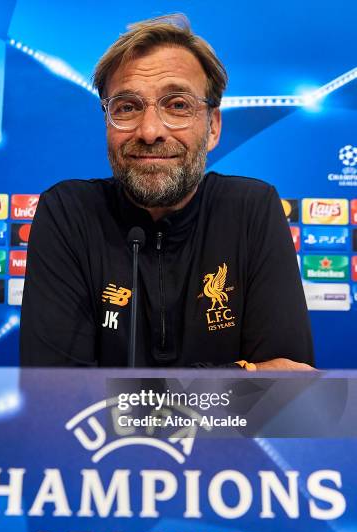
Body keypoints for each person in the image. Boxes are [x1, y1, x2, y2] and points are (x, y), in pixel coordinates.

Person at [20, 14, 314, 370]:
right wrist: (238, 376)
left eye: (177, 105)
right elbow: (55, 397)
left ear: (213, 127)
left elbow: (291, 389)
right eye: (127, 107)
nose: (149, 130)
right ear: (107, 122)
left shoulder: (253, 209)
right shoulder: (68, 213)